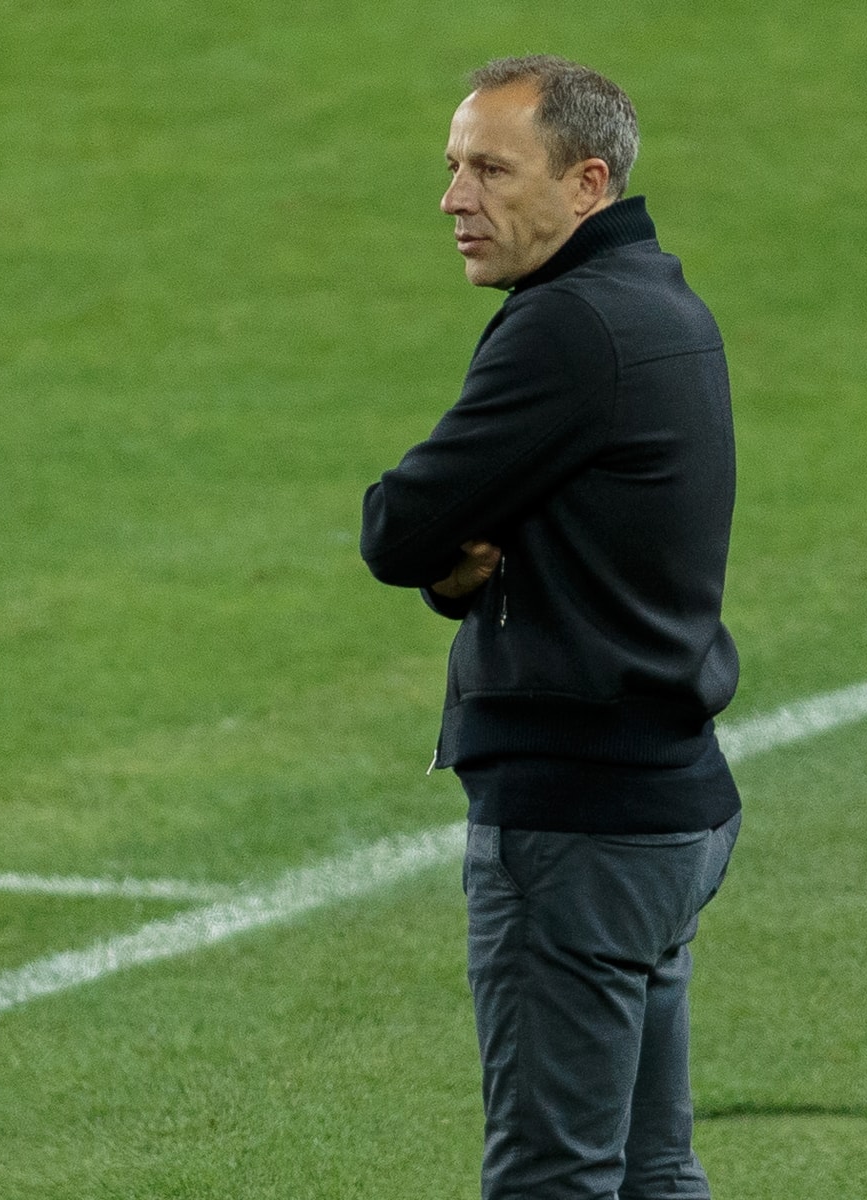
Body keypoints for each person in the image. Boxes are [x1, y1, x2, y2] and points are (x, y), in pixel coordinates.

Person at [360, 56, 743, 1199]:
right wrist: (458, 576)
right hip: (665, 803)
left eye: (488, 168)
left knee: (553, 1180)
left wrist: (444, 567)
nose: (454, 199)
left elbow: (398, 523)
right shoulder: (665, 302)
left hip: (579, 824)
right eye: (451, 168)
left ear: (586, 184)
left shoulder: (566, 327)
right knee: (649, 1168)